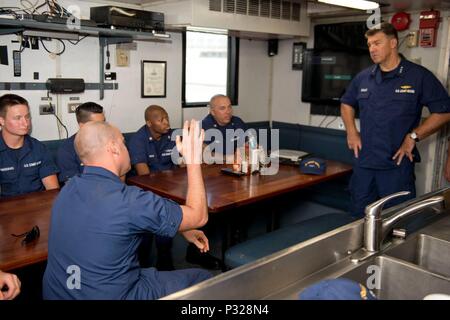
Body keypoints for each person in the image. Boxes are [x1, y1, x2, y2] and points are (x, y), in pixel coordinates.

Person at [43, 120, 212, 300]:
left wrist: (181, 227)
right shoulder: (129, 200)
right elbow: (199, 216)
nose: (127, 148)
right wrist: (193, 161)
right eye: (123, 143)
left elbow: (109, 223)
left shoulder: (68, 189)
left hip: (60, 292)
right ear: (114, 148)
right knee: (203, 279)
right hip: (112, 295)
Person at [341, 22, 450, 217]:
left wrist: (413, 137)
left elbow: (444, 111)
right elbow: (347, 102)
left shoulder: (418, 76)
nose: (372, 49)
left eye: (377, 43)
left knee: (397, 222)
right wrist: (351, 131)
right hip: (364, 164)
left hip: (396, 167)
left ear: (393, 43)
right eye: (369, 44)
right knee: (358, 220)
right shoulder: (364, 78)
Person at [128, 105, 178, 271]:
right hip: (145, 191)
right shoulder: (138, 139)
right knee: (157, 215)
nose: (166, 122)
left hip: (170, 187)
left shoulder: (172, 136)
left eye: (167, 118)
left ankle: (165, 261)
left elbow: (181, 163)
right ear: (149, 123)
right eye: (161, 119)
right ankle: (143, 266)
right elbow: (144, 178)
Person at [0, 94, 59, 197]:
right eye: (17, 118)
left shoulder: (39, 149)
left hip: (37, 208)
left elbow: (53, 192)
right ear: (2, 121)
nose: (25, 123)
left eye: (27, 117)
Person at [56, 102, 105, 183]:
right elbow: (73, 185)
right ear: (82, 126)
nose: (103, 127)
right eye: (97, 124)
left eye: (103, 122)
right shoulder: (67, 150)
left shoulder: (109, 141)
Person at [202, 94, 247, 160]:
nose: (228, 111)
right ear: (213, 112)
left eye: (229, 107)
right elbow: (202, 153)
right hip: (213, 167)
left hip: (236, 165)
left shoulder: (237, 121)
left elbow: (249, 143)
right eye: (222, 108)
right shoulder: (204, 126)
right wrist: (228, 158)